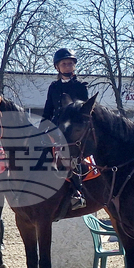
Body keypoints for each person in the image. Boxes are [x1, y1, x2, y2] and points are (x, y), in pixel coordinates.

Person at [42, 48, 89, 209]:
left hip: (73, 129)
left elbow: (84, 110)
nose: (68, 66)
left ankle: (78, 192)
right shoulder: (53, 87)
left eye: (70, 63)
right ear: (57, 67)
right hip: (55, 127)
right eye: (64, 64)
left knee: (70, 155)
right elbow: (48, 109)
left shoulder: (81, 86)